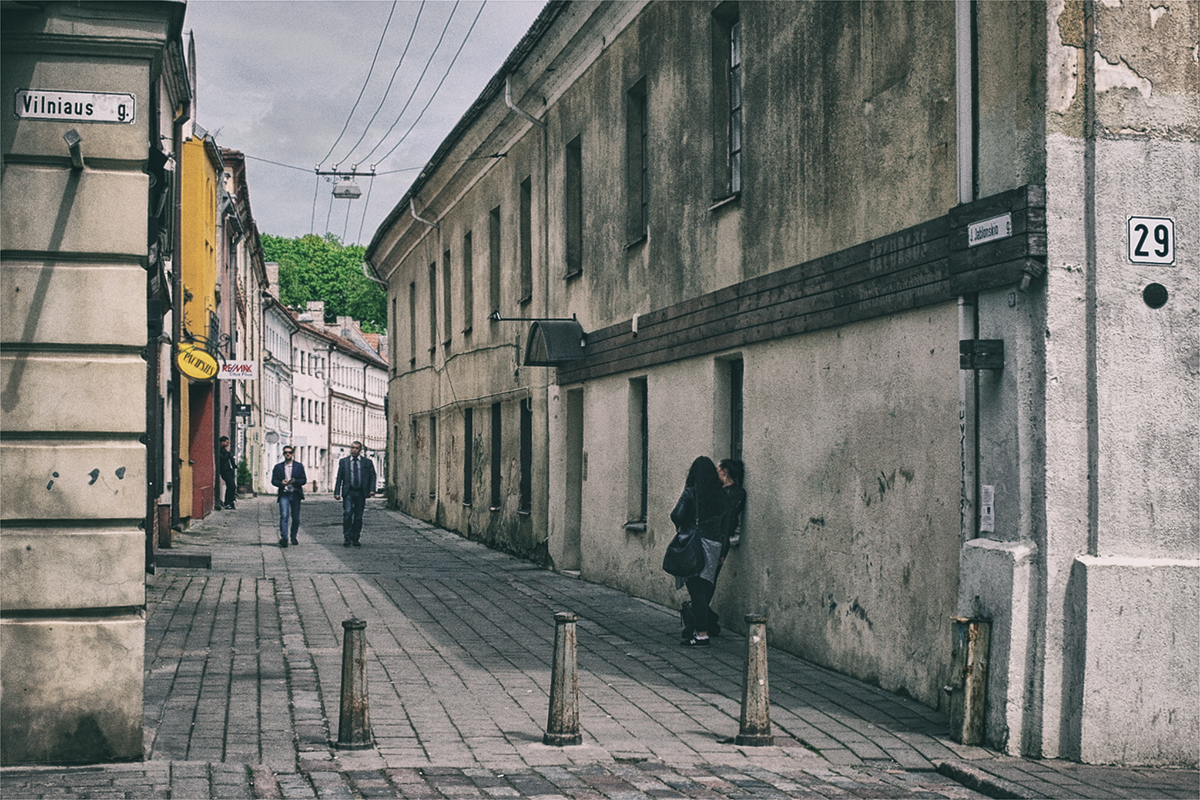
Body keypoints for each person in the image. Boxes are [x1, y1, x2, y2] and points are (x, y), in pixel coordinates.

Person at [670, 456, 728, 647]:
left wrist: (685, 525)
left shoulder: (691, 492)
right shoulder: (721, 495)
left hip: (696, 544)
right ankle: (698, 630)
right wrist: (722, 552)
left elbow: (676, 515)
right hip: (714, 545)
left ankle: (701, 634)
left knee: (696, 592)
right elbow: (725, 526)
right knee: (703, 588)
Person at [334, 441, 377, 547]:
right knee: (348, 513)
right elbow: (339, 477)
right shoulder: (344, 462)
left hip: (360, 492)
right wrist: (337, 492)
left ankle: (356, 537)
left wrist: (372, 489)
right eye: (352, 448)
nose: (354, 450)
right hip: (348, 492)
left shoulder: (367, 462)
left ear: (360, 450)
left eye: (356, 448)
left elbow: (372, 476)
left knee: (358, 516)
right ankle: (347, 537)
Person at [270, 446, 306, 547]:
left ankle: (293, 536)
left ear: (293, 454)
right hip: (284, 494)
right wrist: (281, 483)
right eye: (286, 452)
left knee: (296, 518)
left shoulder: (299, 466)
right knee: (284, 515)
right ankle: (284, 538)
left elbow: (303, 480)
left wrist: (295, 481)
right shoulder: (278, 467)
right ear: (283, 454)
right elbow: (274, 481)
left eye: (290, 452)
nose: (288, 454)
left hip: (295, 494)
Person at [217, 436, 238, 510]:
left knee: (232, 487)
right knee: (231, 486)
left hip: (229, 470)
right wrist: (228, 454)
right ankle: (228, 503)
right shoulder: (220, 450)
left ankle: (230, 502)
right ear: (222, 442)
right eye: (227, 442)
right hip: (224, 471)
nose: (228, 443)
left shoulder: (224, 450)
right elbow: (222, 459)